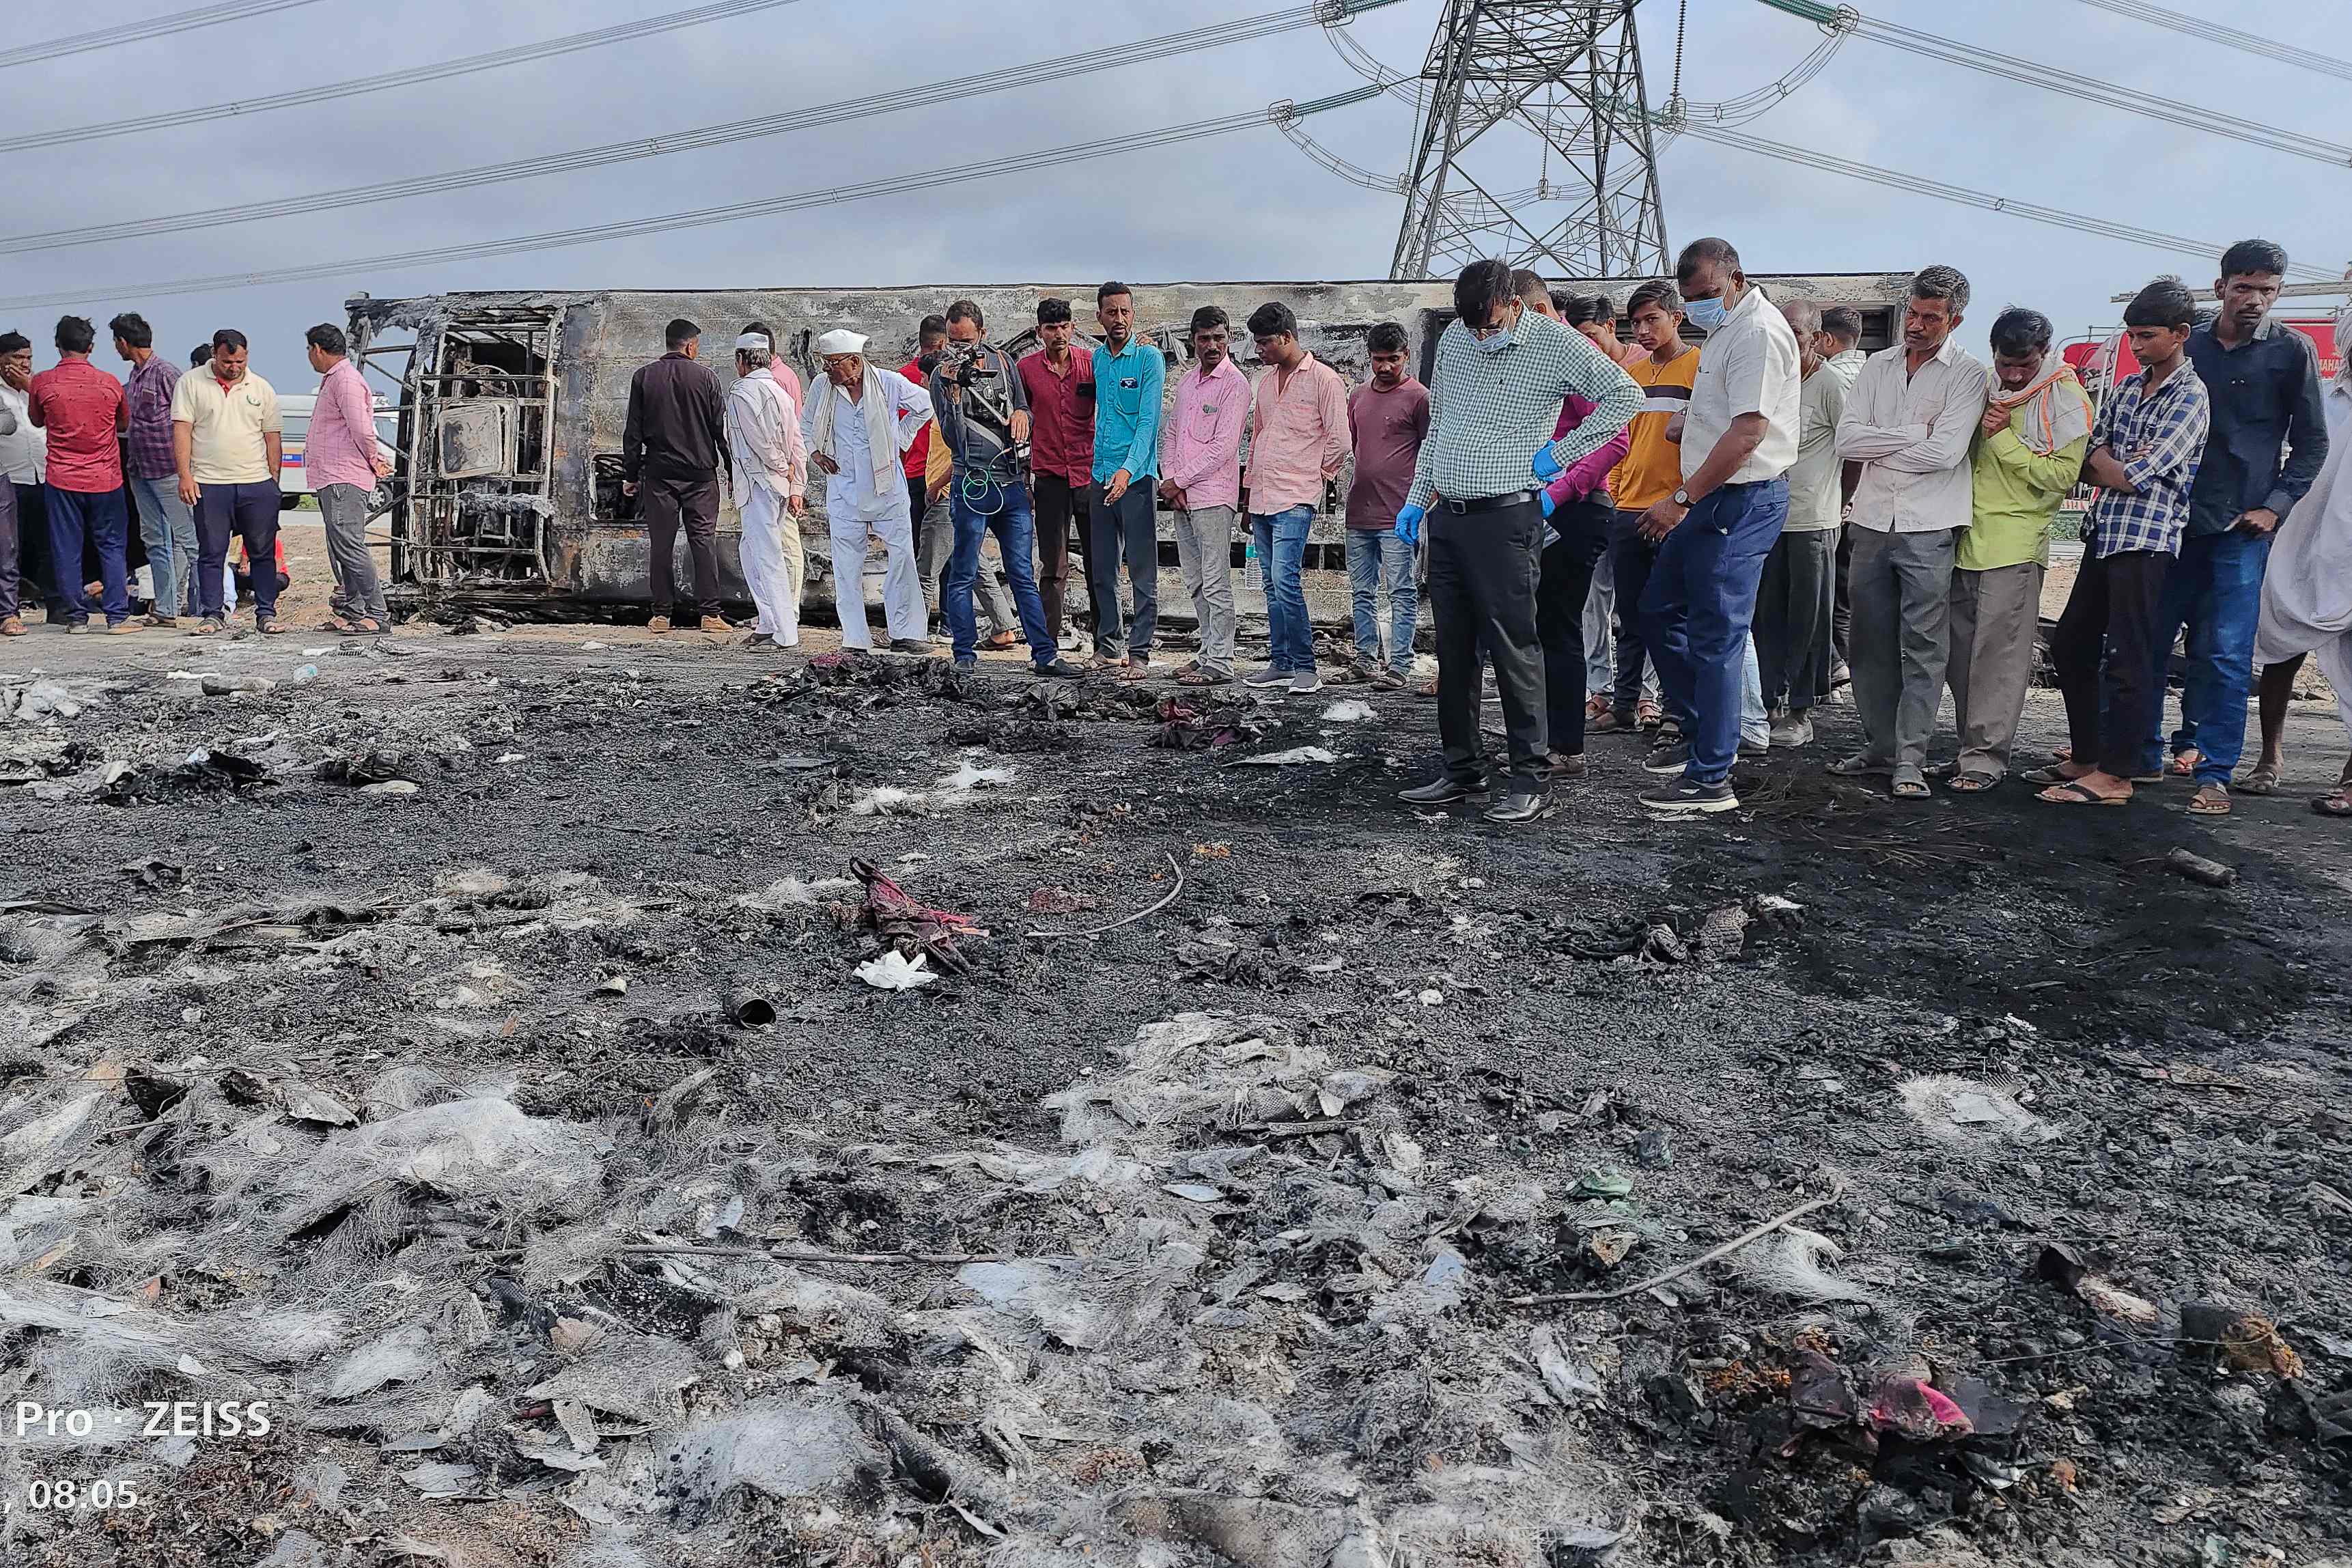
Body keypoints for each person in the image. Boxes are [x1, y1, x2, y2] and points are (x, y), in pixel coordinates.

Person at [1392, 258, 1640, 822]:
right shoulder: (1456, 339)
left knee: (1514, 647)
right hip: (1449, 516)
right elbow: (1444, 425)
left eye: (1490, 324)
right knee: (1453, 650)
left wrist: (1567, 451)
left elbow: (1624, 396)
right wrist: (1417, 496)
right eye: (1473, 325)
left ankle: (1531, 775)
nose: (1482, 335)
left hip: (1507, 517)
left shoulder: (1554, 343)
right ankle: (1463, 768)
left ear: (1513, 302)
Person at [2144, 240, 2329, 815]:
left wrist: (2275, 505)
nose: (2253, 300)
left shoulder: (2290, 352)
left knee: (2225, 653)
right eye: (2243, 287)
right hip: (2170, 520)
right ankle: (2140, 757)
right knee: (2145, 643)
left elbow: (2312, 443)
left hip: (2241, 529)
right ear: (2221, 286)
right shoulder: (2187, 343)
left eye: (2266, 290)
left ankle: (2215, 772)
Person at [1631, 238, 1802, 815]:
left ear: (1736, 278)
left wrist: (1681, 498)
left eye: (1707, 294)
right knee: (1657, 609)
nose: (1700, 305)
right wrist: (1691, 422)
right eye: (1690, 298)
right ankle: (1701, 732)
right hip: (1713, 497)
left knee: (1717, 636)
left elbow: (1750, 433)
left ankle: (1713, 778)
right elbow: (1728, 414)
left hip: (1738, 498)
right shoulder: (1726, 329)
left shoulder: (1756, 332)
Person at [2035, 278, 2210, 807]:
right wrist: (2111, 464)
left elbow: (2138, 471)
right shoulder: (2131, 388)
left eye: (2147, 336)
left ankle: (2119, 773)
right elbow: (2093, 451)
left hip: (2148, 540)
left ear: (2179, 334)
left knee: (2130, 655)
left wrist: (2110, 464)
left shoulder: (2192, 396)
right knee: (2071, 643)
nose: (2136, 346)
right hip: (2106, 532)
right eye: (2132, 335)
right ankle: (2088, 755)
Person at [1832, 266, 1990, 800]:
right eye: (1914, 314)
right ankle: (1879, 746)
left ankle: (1911, 757)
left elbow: (1946, 453)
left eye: (1931, 318)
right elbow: (1847, 440)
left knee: (1923, 644)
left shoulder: (1968, 374)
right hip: (1873, 519)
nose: (1917, 326)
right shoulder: (1877, 366)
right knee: (1868, 640)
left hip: (1929, 525)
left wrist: (1885, 442)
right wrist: (1910, 435)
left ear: (1955, 320)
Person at [1942, 308, 2092, 792]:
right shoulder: (1986, 386)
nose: (2012, 374)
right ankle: (1969, 751)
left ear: (2044, 354)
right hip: (1964, 538)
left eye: (2023, 365)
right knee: (1961, 658)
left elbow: (2060, 479)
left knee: (1999, 660)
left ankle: (1985, 759)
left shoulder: (2065, 400)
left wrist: (2002, 438)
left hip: (2015, 545)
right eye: (2005, 362)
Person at [928, 299, 1078, 678]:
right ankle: (963, 654)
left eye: (966, 340)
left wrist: (1020, 416)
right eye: (953, 340)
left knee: (1022, 573)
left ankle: (1044, 655)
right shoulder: (941, 377)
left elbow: (1026, 409)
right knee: (963, 571)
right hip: (972, 482)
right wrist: (953, 396)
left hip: (1011, 483)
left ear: (982, 334)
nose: (959, 348)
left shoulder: (1004, 364)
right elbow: (950, 435)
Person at [2250, 292, 2352, 790]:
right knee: (2278, 651)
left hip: (2350, 560)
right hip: (2299, 546)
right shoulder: (2323, 401)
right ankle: (2269, 758)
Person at [1595, 279, 1696, 735]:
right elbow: (1620, 443)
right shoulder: (1631, 379)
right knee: (1629, 616)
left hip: (1677, 509)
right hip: (1628, 508)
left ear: (1677, 317)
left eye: (1652, 319)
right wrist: (1616, 492)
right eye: (1635, 323)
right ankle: (1624, 705)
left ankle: (1675, 709)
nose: (1643, 330)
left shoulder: (1701, 368)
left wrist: (1686, 499)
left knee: (1673, 614)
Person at [1240, 301, 1350, 696]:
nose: (1260, 350)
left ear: (1287, 337)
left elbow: (1340, 440)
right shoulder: (1267, 383)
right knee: (1270, 583)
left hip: (1296, 496)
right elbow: (1257, 439)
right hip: (1264, 497)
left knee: (1286, 580)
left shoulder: (1324, 379)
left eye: (1265, 342)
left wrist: (1314, 476)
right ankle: (1281, 663)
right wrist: (1248, 493)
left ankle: (1307, 666)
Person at [802, 328, 932, 653]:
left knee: (902, 559)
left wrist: (900, 438)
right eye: (825, 363)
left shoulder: (888, 382)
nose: (828, 370)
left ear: (855, 361)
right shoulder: (822, 387)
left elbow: (926, 406)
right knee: (846, 568)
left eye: (833, 363)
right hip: (844, 490)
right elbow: (805, 425)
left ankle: (906, 634)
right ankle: (855, 640)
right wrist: (816, 453)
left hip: (887, 490)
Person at [1754, 298, 1847, 749]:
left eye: (1796, 333)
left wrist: (1840, 503)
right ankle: (1769, 703)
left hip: (1813, 521)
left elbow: (1852, 452)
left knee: (1809, 619)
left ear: (1818, 339)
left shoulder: (1830, 385)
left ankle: (1801, 710)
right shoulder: (1773, 380)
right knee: (1767, 616)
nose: (1788, 341)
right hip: (1769, 519)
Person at [621, 318, 731, 634]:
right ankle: (710, 615)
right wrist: (732, 468)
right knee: (703, 542)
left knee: (661, 544)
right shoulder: (706, 378)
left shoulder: (643, 377)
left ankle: (661, 615)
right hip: (700, 478)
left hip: (659, 476)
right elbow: (719, 430)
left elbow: (634, 431)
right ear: (690, 345)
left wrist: (631, 474)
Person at [917, 309, 1020, 647]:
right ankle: (1004, 626)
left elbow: (959, 454)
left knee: (927, 569)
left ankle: (915, 632)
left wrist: (936, 487)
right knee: (975, 565)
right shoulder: (944, 402)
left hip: (951, 493)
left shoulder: (969, 400)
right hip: (957, 491)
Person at [1160, 305, 1249, 686]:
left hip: (1213, 496)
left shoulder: (1236, 385)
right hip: (1182, 495)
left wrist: (1179, 480)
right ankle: (1206, 652)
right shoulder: (1186, 383)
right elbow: (1171, 435)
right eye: (1204, 339)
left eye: (1219, 338)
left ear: (1229, 338)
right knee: (1195, 580)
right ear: (1192, 341)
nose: (1212, 345)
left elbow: (1224, 447)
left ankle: (1222, 662)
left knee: (1215, 581)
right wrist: (1170, 479)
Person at [172, 328, 283, 634]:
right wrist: (185, 475)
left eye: (240, 362)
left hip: (256, 483)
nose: (234, 368)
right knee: (211, 552)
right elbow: (181, 430)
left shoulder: (261, 388)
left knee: (262, 551)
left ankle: (266, 613)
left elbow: (272, 437)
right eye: (227, 362)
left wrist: (273, 482)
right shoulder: (190, 383)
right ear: (214, 355)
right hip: (209, 483)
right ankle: (212, 614)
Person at [28, 315, 132, 634]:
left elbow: (36, 420)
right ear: (90, 347)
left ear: (58, 346)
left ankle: (76, 618)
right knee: (112, 547)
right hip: (106, 478)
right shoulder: (110, 383)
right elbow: (123, 425)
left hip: (61, 479)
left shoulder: (43, 383)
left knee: (66, 548)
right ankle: (117, 617)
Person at [1344, 320, 1428, 689]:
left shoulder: (1419, 398)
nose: (1386, 367)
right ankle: (1365, 659)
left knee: (1401, 589)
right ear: (1370, 358)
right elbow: (1357, 444)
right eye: (1378, 360)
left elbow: (1430, 452)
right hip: (1359, 511)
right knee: (1361, 590)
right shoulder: (1358, 396)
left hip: (1400, 514)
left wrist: (1422, 502)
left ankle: (1401, 664)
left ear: (1406, 356)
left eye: (1393, 359)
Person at [1088, 282, 1165, 677]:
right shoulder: (1097, 361)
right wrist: (1104, 472)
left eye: (1124, 312)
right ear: (1099, 316)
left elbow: (1149, 423)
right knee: (1101, 567)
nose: (1118, 319)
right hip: (1100, 475)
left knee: (1141, 568)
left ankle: (1140, 652)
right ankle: (1108, 645)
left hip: (1135, 479)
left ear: (1133, 315)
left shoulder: (1149, 359)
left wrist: (1127, 471)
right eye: (1111, 312)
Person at [301, 323, 393, 635]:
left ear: (317, 350)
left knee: (350, 546)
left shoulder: (346, 381)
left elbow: (362, 429)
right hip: (331, 476)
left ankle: (378, 614)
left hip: (344, 477)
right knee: (339, 547)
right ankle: (353, 611)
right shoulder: (336, 380)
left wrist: (376, 461)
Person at [725, 323, 808, 648]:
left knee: (768, 555)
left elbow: (758, 442)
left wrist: (781, 468)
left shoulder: (741, 392)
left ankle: (785, 633)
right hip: (777, 486)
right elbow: (797, 442)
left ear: (742, 360)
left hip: (759, 484)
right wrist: (795, 481)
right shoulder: (780, 392)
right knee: (753, 550)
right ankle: (769, 620)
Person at [1017, 297, 1094, 648]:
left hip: (1090, 475)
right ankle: (1046, 645)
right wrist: (1024, 477)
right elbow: (1018, 424)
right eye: (1051, 328)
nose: (1058, 334)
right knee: (1053, 567)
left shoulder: (1091, 365)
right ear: (1039, 332)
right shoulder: (1026, 370)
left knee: (1099, 563)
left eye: (1064, 327)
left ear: (1073, 329)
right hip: (1047, 476)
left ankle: (1106, 643)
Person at [111, 312, 193, 626]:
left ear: (122, 342)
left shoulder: (166, 373)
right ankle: (166, 608)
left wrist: (187, 469)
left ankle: (206, 607)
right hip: (140, 470)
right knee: (156, 540)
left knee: (188, 539)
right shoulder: (134, 378)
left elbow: (187, 419)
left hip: (169, 469)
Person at [1822, 304, 1867, 684]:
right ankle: (1845, 666)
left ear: (1826, 339)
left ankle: (1834, 666)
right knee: (1848, 597)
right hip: (1869, 507)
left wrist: (1839, 499)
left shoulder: (1826, 377)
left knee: (1826, 595)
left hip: (1831, 501)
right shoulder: (1875, 375)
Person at [0, 331, 50, 635]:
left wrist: (29, 388)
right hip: (11, 478)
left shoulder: (39, 388)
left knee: (47, 547)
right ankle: (9, 611)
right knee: (9, 549)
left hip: (43, 476)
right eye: (17, 359)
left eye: (29, 358)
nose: (24, 365)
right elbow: (9, 426)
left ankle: (56, 607)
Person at [1564, 292, 1644, 369]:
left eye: (1590, 336)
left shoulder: (1646, 357)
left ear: (1610, 325)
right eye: (1579, 340)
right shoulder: (1579, 369)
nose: (1586, 344)